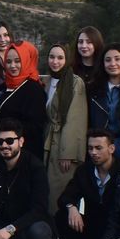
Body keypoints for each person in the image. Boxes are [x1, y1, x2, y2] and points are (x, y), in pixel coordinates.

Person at [56, 128, 118, 239]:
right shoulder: (85, 170)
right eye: (90, 148)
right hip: (93, 229)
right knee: (61, 216)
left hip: (117, 233)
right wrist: (71, 207)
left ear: (111, 148)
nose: (93, 153)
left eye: (98, 148)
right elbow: (65, 196)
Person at [44, 41, 87, 206]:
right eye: (52, 57)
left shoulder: (75, 82)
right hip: (48, 140)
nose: (55, 61)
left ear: (67, 60)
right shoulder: (48, 81)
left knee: (59, 189)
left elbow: (75, 119)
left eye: (60, 58)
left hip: (62, 145)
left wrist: (67, 154)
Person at [0, 41, 46, 161]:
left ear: (26, 61)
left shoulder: (34, 89)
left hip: (24, 155)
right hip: (0, 152)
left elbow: (36, 126)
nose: (12, 66)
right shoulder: (2, 87)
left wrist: (7, 131)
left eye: (17, 61)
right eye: (9, 61)